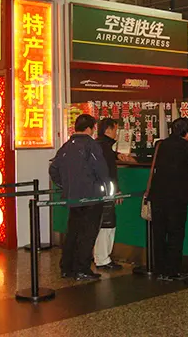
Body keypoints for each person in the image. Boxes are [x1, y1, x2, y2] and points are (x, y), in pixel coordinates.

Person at [49, 114, 111, 281]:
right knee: (88, 233)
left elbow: (53, 169)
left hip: (73, 198)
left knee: (73, 232)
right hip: (91, 196)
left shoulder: (66, 146)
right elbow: (101, 170)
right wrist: (108, 190)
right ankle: (82, 268)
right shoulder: (91, 145)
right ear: (90, 128)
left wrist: (64, 185)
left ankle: (67, 267)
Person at [148, 118, 188, 281]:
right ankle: (172, 270)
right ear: (186, 133)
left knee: (159, 233)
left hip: (158, 196)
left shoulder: (162, 144)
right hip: (176, 198)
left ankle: (160, 269)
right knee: (175, 234)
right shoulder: (185, 146)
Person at [94, 118, 135, 271]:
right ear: (108, 130)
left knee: (104, 224)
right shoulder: (104, 148)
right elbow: (109, 173)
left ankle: (100, 257)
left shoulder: (101, 146)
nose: (117, 133)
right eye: (115, 130)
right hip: (106, 192)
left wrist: (117, 155)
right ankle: (103, 258)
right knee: (107, 224)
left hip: (98, 191)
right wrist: (116, 190)